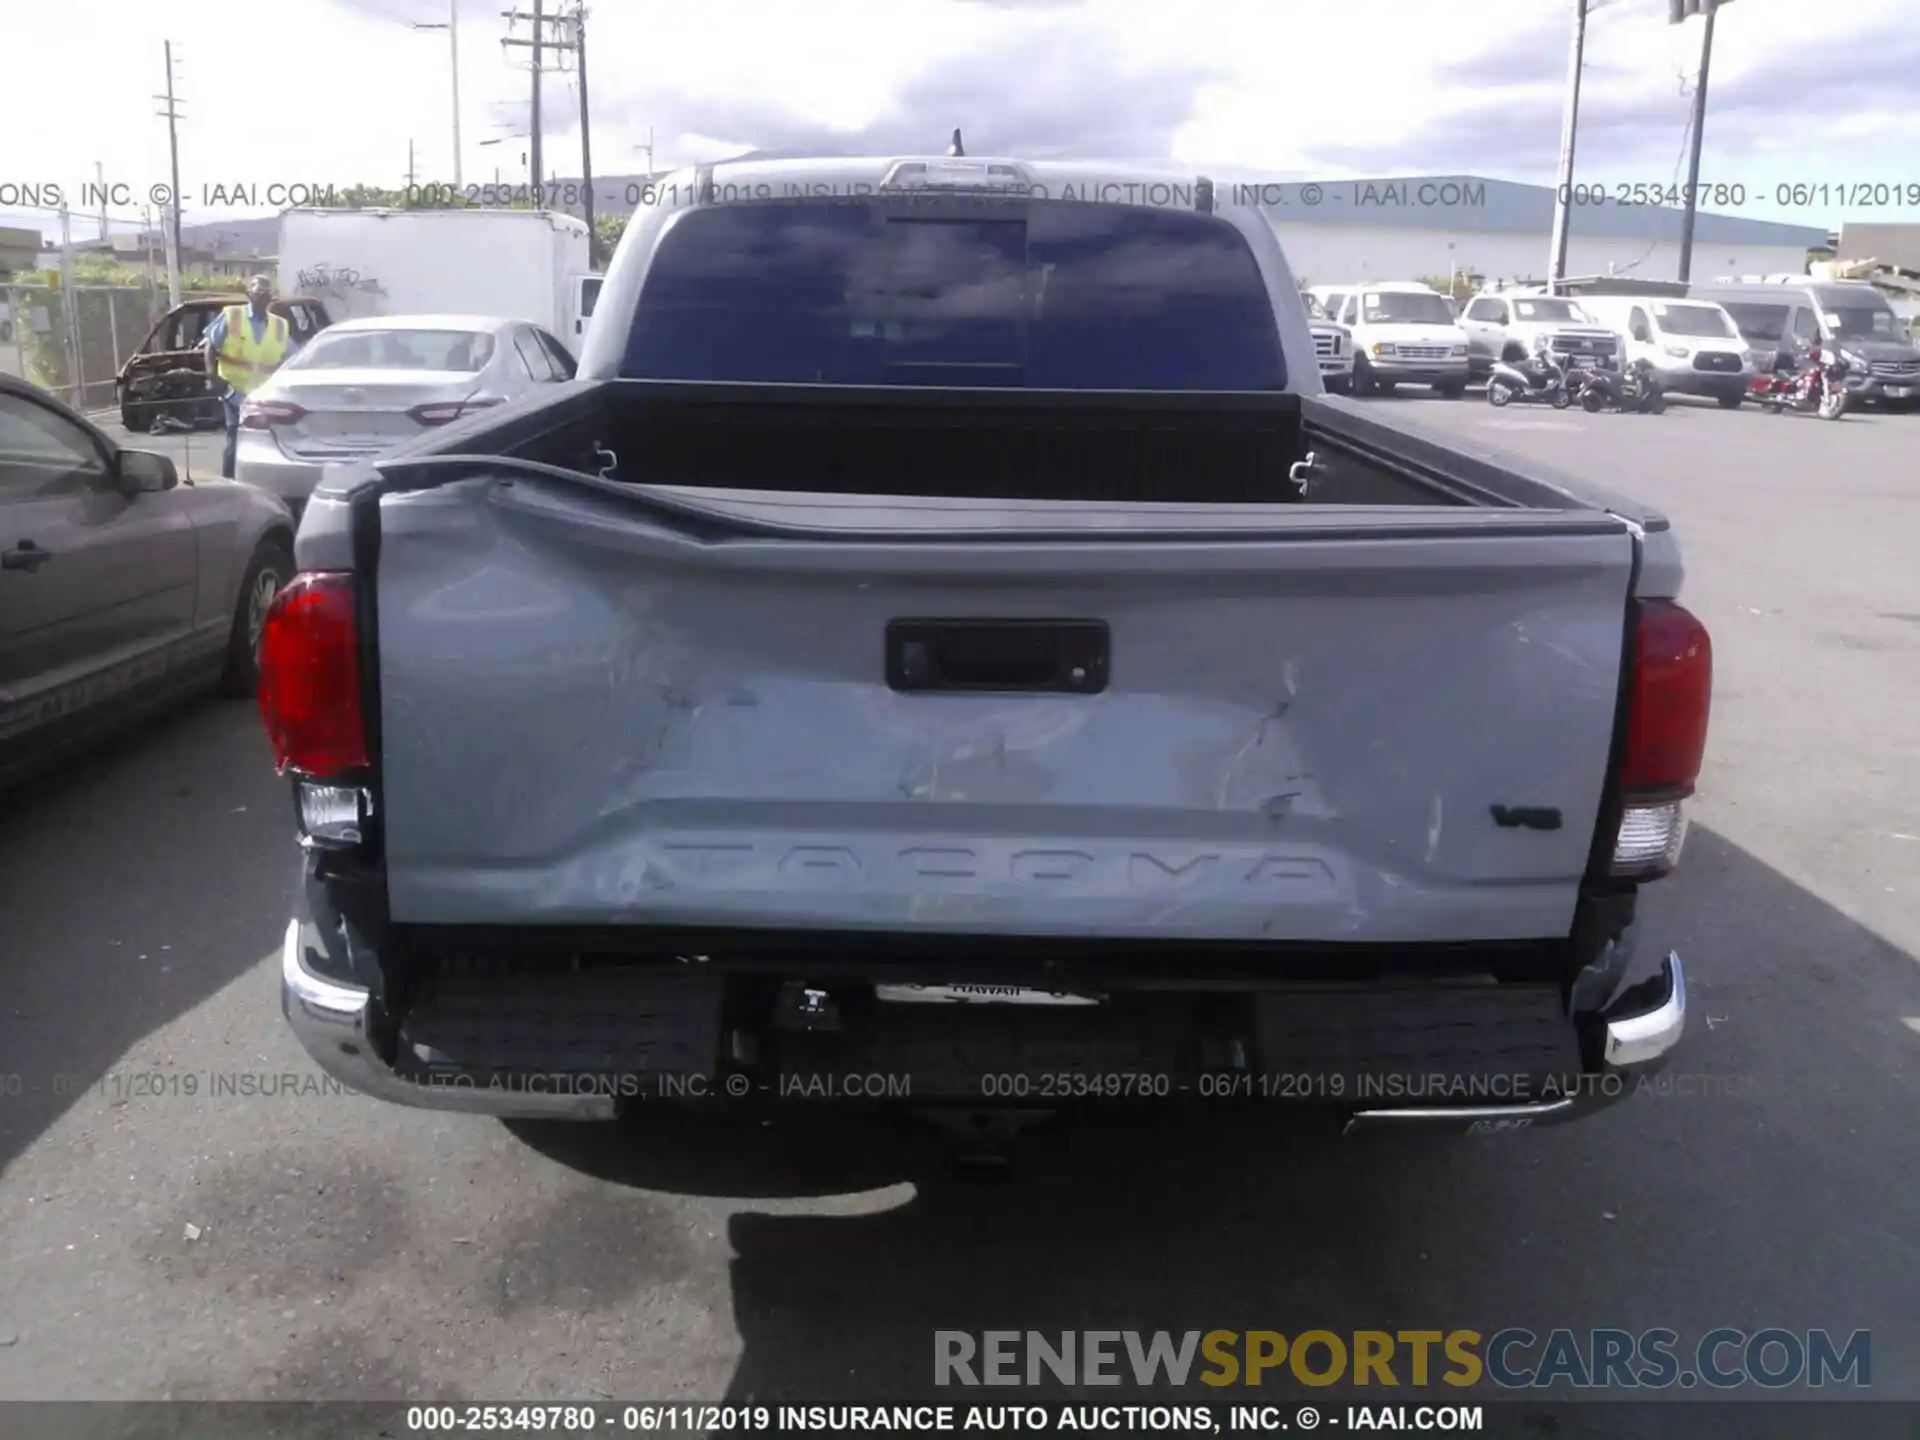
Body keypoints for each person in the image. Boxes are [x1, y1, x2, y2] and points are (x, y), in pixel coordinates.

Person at [203, 275, 296, 478]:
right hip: (233, 389)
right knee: (235, 436)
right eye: (258, 293)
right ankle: (228, 483)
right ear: (249, 295)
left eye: (267, 294)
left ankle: (262, 481)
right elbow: (210, 346)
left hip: (264, 393)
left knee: (267, 440)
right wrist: (212, 376)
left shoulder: (280, 325)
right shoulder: (232, 316)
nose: (263, 298)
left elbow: (292, 357)